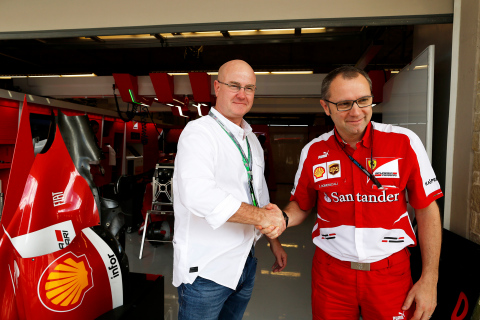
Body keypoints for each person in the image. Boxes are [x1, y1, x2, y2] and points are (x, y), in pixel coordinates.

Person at [262, 66, 443, 320]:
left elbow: (427, 209)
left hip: (390, 274)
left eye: (364, 100)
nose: (356, 111)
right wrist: (280, 218)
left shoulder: (404, 142)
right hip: (331, 275)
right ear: (326, 107)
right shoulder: (314, 151)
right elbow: (302, 205)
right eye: (345, 104)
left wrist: (430, 278)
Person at [172, 59, 288, 320]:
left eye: (249, 88)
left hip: (244, 263)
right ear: (217, 87)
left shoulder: (251, 140)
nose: (242, 94)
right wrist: (264, 218)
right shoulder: (199, 133)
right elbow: (198, 194)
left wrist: (274, 242)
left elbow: (260, 196)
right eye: (234, 85)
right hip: (207, 271)